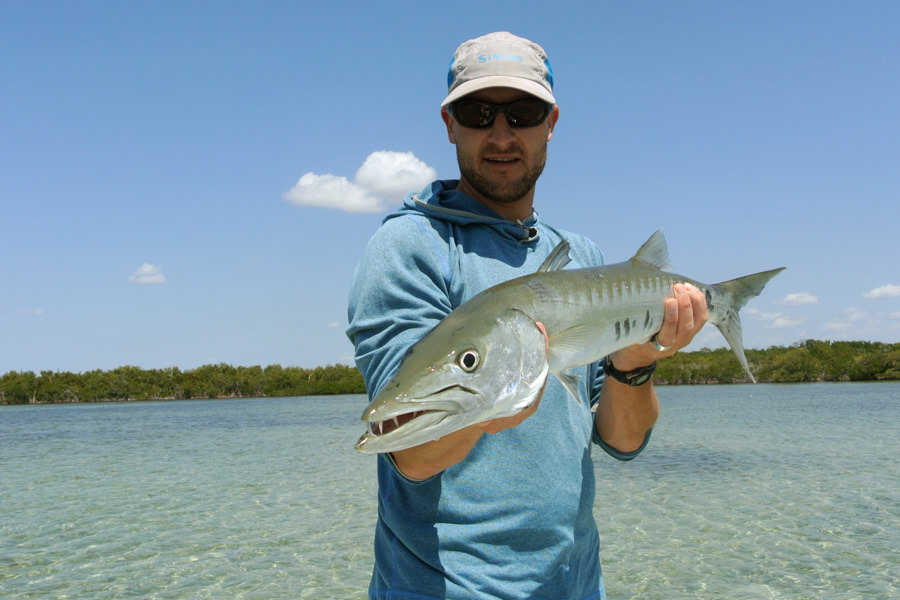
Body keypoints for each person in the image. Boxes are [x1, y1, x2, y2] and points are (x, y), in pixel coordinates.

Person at [346, 31, 707, 600]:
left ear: (551, 123)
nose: (501, 134)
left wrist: (636, 361)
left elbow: (623, 440)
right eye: (478, 112)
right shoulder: (411, 248)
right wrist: (490, 398)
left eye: (523, 112)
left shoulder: (581, 258)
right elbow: (410, 454)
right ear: (449, 124)